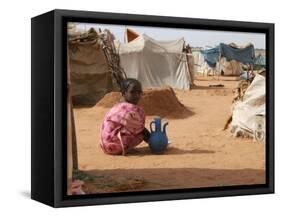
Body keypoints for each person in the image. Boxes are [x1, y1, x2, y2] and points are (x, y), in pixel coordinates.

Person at [100, 78, 150, 155]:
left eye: (139, 92)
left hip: (105, 145)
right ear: (123, 93)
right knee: (141, 134)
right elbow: (140, 128)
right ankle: (123, 147)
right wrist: (152, 140)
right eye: (132, 92)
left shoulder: (117, 107)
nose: (137, 95)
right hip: (114, 146)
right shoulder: (129, 109)